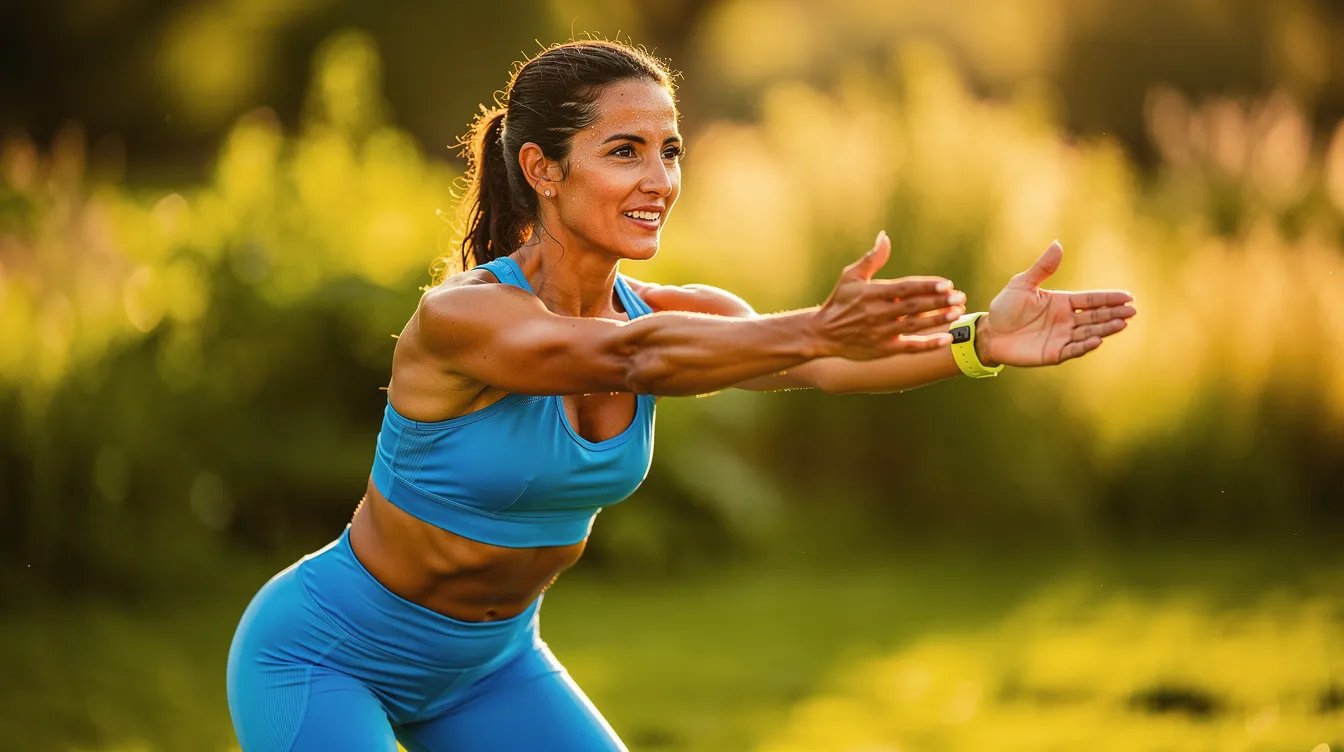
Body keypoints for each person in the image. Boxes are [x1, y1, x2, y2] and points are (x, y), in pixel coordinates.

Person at [226, 39, 1135, 751]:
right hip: (326, 653)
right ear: (542, 169)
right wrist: (814, 325)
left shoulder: (683, 311)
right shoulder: (463, 320)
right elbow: (629, 362)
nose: (659, 180)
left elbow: (821, 365)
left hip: (492, 665)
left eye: (670, 151)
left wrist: (981, 342)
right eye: (625, 152)